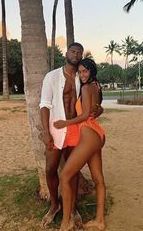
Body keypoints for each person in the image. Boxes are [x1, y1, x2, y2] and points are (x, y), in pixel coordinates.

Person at [39, 43, 102, 228]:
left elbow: (92, 103)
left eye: (79, 53)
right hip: (56, 128)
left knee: (72, 171)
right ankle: (54, 206)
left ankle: (72, 208)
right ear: (66, 53)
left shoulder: (82, 78)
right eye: (73, 51)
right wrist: (45, 131)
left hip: (75, 130)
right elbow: (44, 104)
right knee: (51, 169)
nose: (76, 55)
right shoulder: (52, 76)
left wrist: (98, 110)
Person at [54, 58, 106, 231]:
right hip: (97, 134)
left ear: (92, 71)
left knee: (65, 176)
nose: (82, 74)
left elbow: (84, 116)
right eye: (80, 71)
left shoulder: (85, 88)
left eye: (86, 71)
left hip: (89, 135)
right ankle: (99, 221)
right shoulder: (96, 86)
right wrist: (100, 110)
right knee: (98, 180)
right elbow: (96, 109)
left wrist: (65, 123)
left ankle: (66, 222)